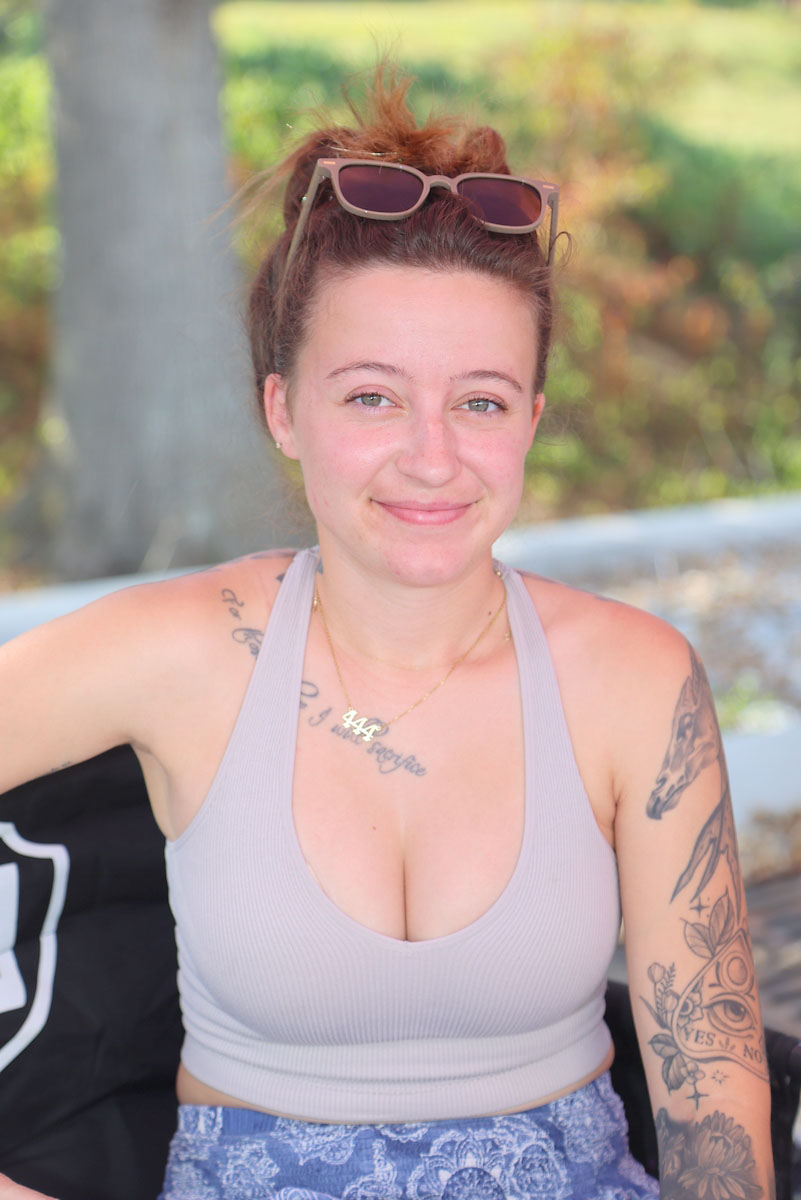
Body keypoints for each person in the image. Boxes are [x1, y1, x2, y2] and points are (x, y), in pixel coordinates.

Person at [0, 68, 773, 1200]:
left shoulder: (634, 681)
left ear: (531, 422)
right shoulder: (179, 651)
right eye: (371, 396)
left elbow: (711, 1101)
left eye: (480, 401)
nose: (431, 457)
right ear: (282, 409)